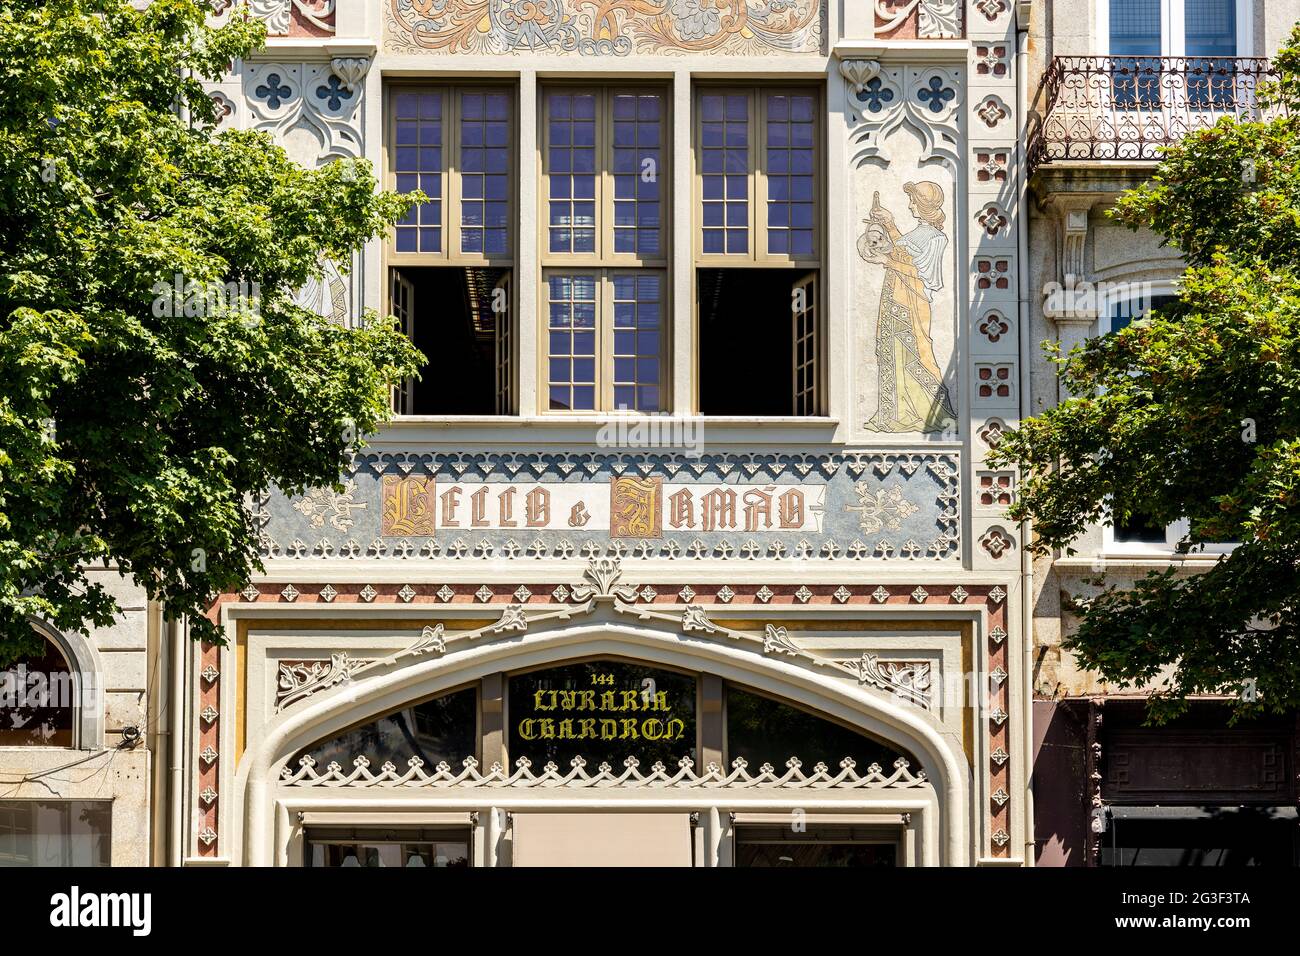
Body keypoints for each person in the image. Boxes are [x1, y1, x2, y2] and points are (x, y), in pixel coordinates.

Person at [860, 182, 957, 433]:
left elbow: (924, 277)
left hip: (913, 303)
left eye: (914, 200)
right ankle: (893, 415)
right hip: (894, 298)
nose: (911, 204)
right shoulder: (918, 233)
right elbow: (902, 250)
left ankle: (930, 414)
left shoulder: (936, 238)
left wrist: (887, 261)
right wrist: (888, 224)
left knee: (917, 354)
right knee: (892, 355)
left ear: (924, 205)